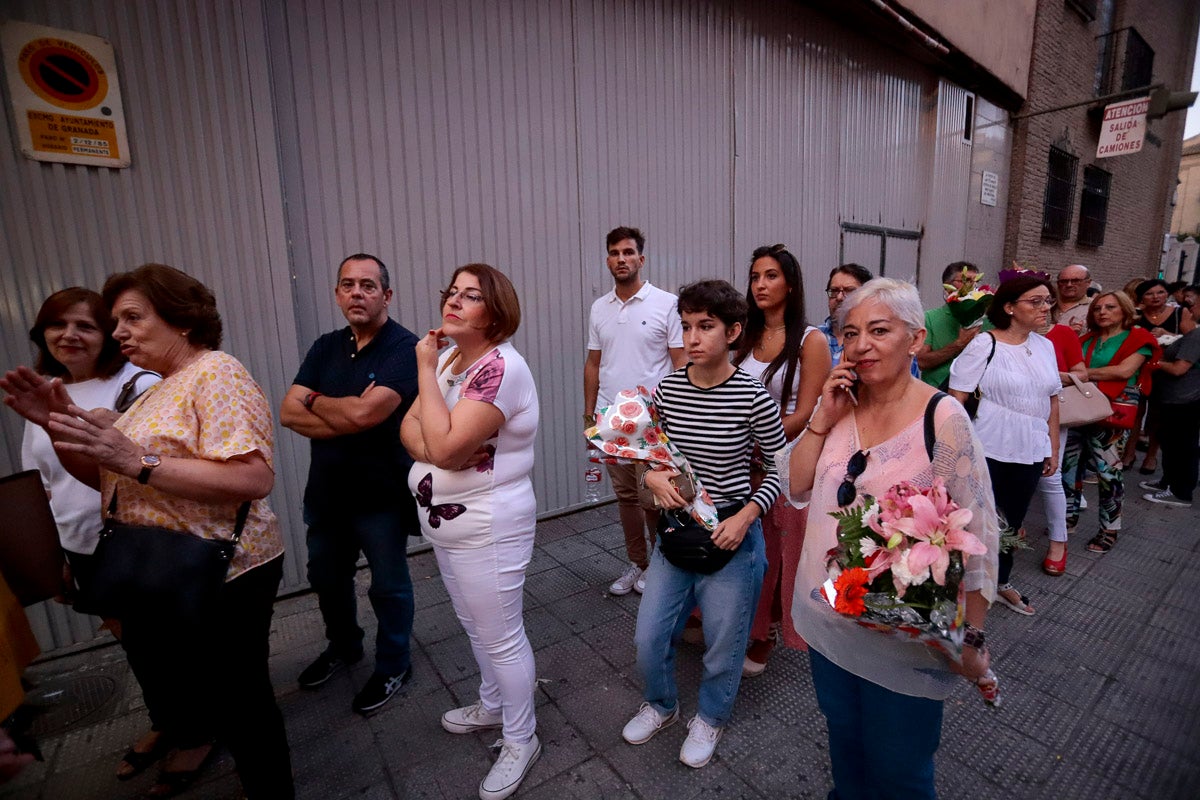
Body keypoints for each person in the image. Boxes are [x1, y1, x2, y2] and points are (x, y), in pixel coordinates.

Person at [1, 264, 293, 799]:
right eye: (117, 321)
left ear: (181, 321)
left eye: (133, 317)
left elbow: (253, 477)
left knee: (241, 698)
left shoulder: (216, 373)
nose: (119, 332)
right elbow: (106, 479)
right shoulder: (158, 390)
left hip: (225, 568)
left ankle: (270, 789)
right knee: (214, 690)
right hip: (172, 564)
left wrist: (139, 460)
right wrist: (56, 427)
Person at [780, 278, 998, 799]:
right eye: (850, 333)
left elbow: (978, 528)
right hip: (829, 621)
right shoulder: (841, 407)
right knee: (846, 752)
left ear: (916, 339)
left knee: (900, 771)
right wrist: (821, 419)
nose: (860, 345)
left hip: (903, 635)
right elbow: (797, 483)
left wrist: (970, 638)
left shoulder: (942, 418)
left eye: (879, 330)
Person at [621, 280, 785, 769]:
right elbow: (651, 453)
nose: (692, 338)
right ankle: (661, 705)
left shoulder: (752, 395)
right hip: (677, 531)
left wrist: (748, 515)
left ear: (733, 331)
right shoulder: (669, 388)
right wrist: (651, 474)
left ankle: (711, 716)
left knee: (723, 643)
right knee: (649, 637)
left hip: (733, 533)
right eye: (686, 326)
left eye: (706, 326)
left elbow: (781, 468)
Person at [400, 264, 540, 800]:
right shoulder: (454, 361)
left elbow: (451, 448)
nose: (454, 301)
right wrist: (434, 441)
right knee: (474, 624)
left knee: (501, 635)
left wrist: (439, 442)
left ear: (496, 310)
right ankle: (494, 703)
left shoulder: (499, 369)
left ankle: (520, 738)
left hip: (489, 525)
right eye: (452, 291)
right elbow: (412, 429)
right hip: (448, 524)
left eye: (471, 296)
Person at [280, 253, 420, 714]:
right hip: (326, 492)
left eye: (367, 285)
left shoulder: (404, 348)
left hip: (379, 494)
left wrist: (318, 400)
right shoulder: (325, 346)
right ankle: (345, 646)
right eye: (347, 285)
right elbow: (287, 412)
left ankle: (395, 662)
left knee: (388, 585)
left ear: (386, 294)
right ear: (338, 294)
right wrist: (348, 413)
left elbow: (364, 413)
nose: (356, 293)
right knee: (326, 577)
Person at [18, 288, 158, 607]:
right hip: (80, 549)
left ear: (108, 335)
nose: (69, 335)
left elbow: (157, 467)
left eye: (85, 326)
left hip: (143, 544)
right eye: (57, 325)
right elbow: (43, 486)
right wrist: (55, 558)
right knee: (133, 644)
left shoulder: (138, 384)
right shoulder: (45, 393)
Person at [732, 245, 830, 675]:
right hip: (740, 459)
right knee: (739, 546)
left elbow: (807, 411)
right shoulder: (746, 335)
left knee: (775, 553)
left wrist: (759, 441)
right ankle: (731, 620)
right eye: (755, 277)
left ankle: (764, 634)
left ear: (790, 284)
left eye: (770, 276)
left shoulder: (811, 340)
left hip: (783, 460)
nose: (760, 285)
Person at [950, 275, 1061, 615]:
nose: (1045, 308)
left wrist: (1051, 448)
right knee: (971, 517)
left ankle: (1000, 582)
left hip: (1029, 447)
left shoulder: (1045, 346)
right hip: (988, 444)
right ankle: (956, 584)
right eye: (1036, 302)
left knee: (1011, 520)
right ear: (1010, 308)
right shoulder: (986, 344)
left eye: (1048, 301)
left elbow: (1053, 401)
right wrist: (956, 450)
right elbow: (957, 397)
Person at [584, 226, 685, 596]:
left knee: (656, 498)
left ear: (641, 259)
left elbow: (680, 363)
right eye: (614, 253)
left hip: (654, 423)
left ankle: (663, 566)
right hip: (612, 422)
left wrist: (675, 415)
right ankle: (637, 563)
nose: (621, 259)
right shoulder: (600, 308)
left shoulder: (666, 303)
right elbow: (593, 364)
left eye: (628, 252)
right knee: (626, 498)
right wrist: (589, 414)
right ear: (608, 260)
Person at [1062, 292, 1158, 554]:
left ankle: (1109, 528)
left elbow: (1124, 371)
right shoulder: (1086, 339)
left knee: (1108, 472)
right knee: (1069, 467)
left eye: (1110, 307)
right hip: (1078, 409)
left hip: (1112, 413)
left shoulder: (1140, 338)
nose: (1102, 312)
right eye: (1097, 308)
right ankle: (1068, 518)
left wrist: (1080, 375)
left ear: (1125, 310)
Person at [1035, 318, 1088, 575]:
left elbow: (1082, 374)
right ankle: (1011, 529)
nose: (1040, 307)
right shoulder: (998, 334)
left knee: (1050, 477)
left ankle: (1059, 541)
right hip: (1011, 413)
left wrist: (1054, 377)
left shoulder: (1063, 333)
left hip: (1052, 411)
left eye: (1044, 301)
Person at [1141, 285, 1200, 509]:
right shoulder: (1192, 334)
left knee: (1183, 446)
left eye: (1191, 303)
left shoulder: (1197, 335)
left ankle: (1180, 491)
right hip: (1174, 399)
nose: (1188, 307)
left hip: (1185, 400)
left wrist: (1155, 363)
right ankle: (1168, 481)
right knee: (1170, 441)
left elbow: (1179, 369)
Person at [1128, 279, 1194, 474]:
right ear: (1141, 298)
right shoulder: (1136, 315)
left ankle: (1151, 456)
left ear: (1168, 294)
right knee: (1135, 411)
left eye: (1160, 292)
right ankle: (1129, 453)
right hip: (1140, 370)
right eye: (1150, 294)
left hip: (1165, 371)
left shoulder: (1179, 313)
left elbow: (1191, 340)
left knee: (1157, 414)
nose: (1156, 297)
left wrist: (1168, 335)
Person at [917, 261, 982, 388]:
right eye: (966, 280)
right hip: (937, 394)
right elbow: (921, 361)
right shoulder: (929, 318)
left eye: (976, 282)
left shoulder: (986, 319)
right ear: (947, 287)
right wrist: (959, 344)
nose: (972, 286)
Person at [817, 263, 873, 365]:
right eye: (834, 291)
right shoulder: (812, 338)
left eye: (849, 291)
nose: (839, 297)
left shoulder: (876, 341)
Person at [1051, 264, 1092, 334]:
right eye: (1064, 281)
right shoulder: (1047, 306)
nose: (1069, 285)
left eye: (1076, 281)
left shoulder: (1095, 307)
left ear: (1088, 283)